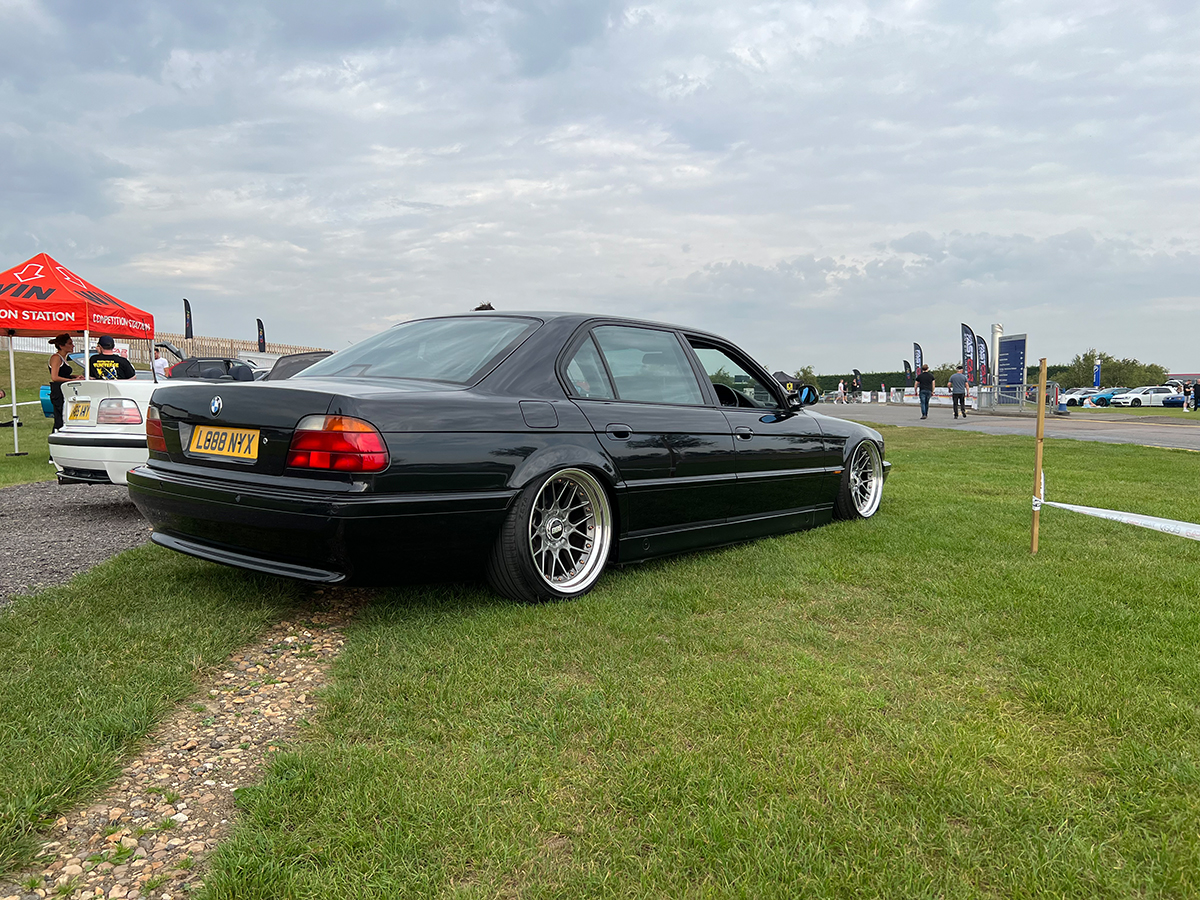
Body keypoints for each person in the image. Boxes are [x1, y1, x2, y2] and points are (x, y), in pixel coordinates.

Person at [47, 333, 82, 431]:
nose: (73, 346)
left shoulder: (63, 358)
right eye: (70, 343)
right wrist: (72, 380)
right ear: (62, 346)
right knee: (60, 418)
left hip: (64, 390)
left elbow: (63, 374)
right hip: (58, 391)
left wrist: (75, 376)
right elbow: (54, 377)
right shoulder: (56, 358)